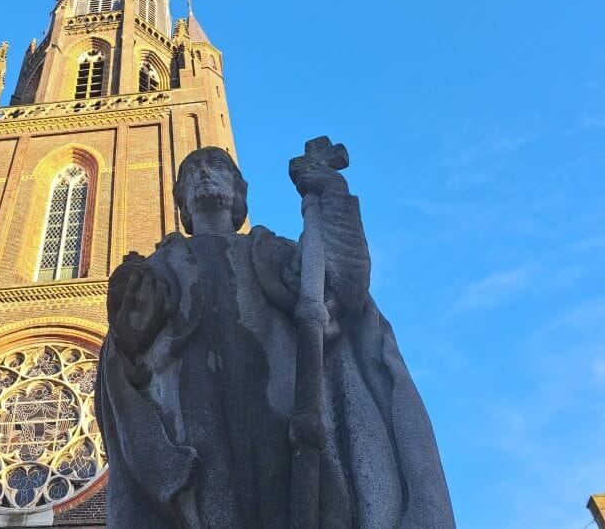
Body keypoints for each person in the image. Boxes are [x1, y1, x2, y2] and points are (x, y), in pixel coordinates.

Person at [95, 146, 454, 528]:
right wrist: (130, 339)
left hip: (286, 410)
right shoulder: (159, 268)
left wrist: (331, 196)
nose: (204, 175)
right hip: (198, 420)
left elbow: (343, 291)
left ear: (239, 192)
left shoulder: (275, 251)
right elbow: (129, 359)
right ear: (179, 200)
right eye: (193, 171)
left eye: (216, 166)